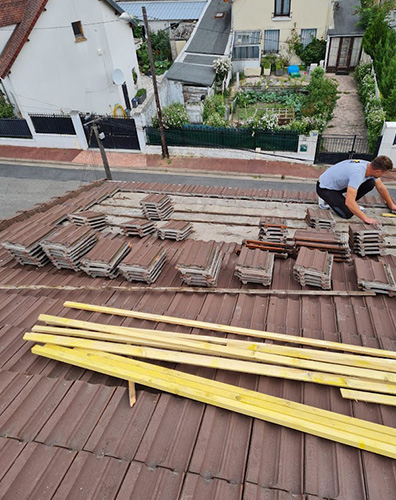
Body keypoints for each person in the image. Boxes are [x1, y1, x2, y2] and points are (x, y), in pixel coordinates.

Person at [316, 155, 396, 225]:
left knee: (370, 183)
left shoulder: (370, 166)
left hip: (338, 185)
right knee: (347, 213)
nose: (382, 175)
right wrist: (366, 218)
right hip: (324, 188)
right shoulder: (357, 173)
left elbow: (381, 188)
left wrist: (391, 205)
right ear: (378, 171)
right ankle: (325, 199)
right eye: (383, 173)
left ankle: (342, 200)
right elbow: (349, 202)